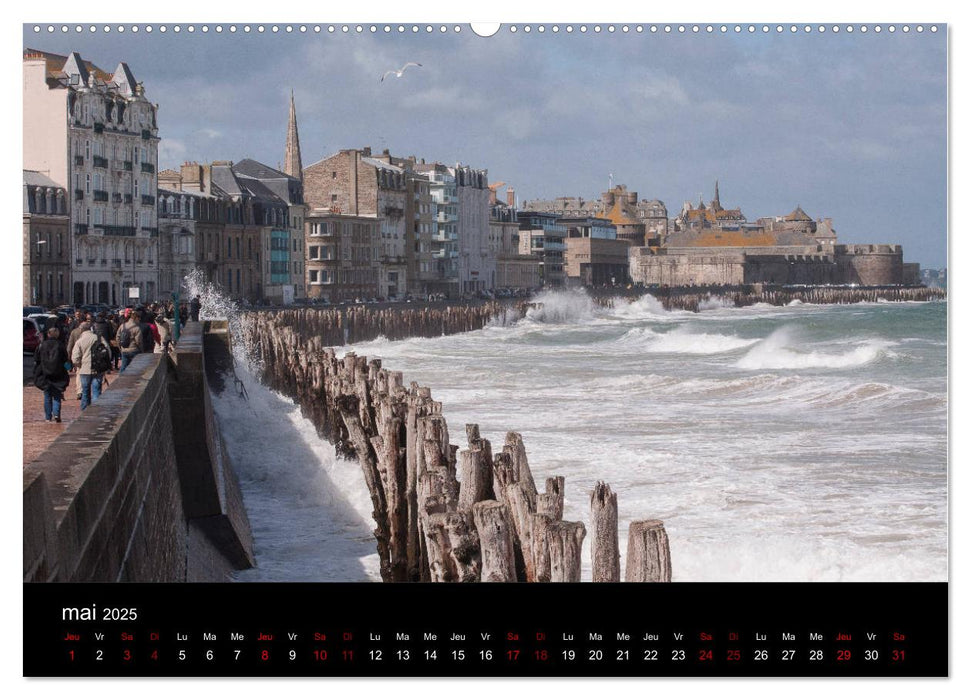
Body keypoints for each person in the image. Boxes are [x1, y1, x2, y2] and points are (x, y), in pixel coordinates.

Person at [71, 321, 111, 410]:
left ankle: (85, 410)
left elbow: (75, 358)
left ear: (81, 330)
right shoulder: (99, 338)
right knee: (96, 391)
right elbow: (108, 351)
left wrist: (79, 365)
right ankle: (95, 410)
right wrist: (105, 364)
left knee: (85, 392)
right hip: (98, 368)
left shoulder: (80, 341)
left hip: (84, 370)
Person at [33, 327, 69, 423]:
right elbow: (65, 358)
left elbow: (36, 358)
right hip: (58, 372)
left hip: (45, 373)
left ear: (48, 334)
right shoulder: (60, 345)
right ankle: (56, 414)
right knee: (57, 395)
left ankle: (48, 417)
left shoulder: (42, 345)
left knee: (47, 395)